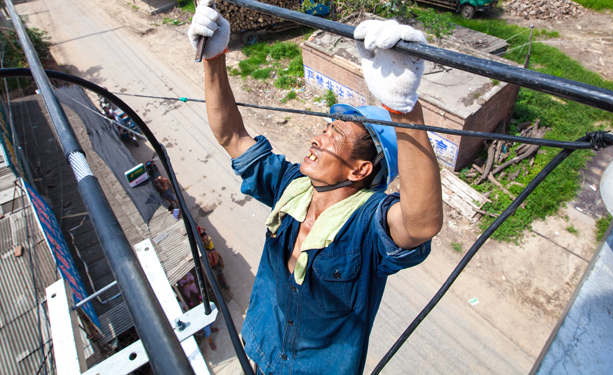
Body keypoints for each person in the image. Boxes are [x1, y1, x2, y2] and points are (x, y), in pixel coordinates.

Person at [188, 3, 443, 374]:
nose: (317, 139)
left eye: (334, 135)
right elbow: (232, 135)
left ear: (360, 169)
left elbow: (420, 224)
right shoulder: (292, 187)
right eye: (324, 128)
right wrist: (214, 57)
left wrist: (404, 111)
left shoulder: (368, 224)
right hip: (261, 353)